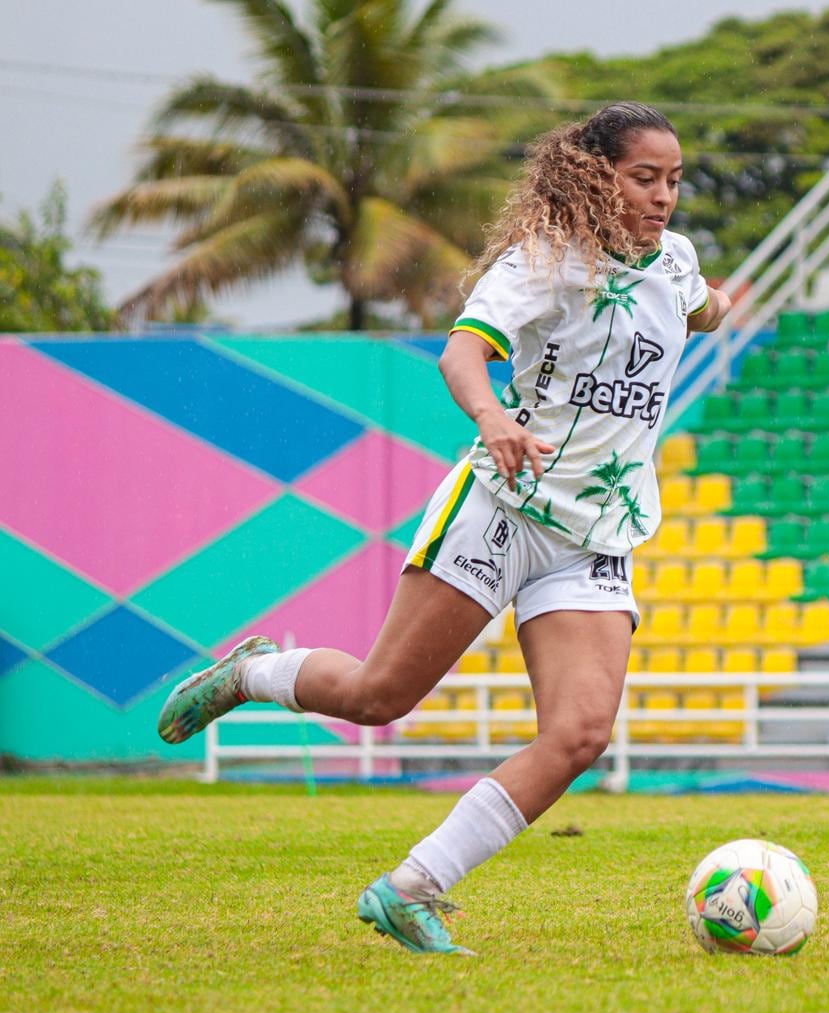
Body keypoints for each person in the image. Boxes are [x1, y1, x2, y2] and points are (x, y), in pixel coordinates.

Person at [156, 101, 731, 955]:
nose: (662, 197)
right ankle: (253, 675)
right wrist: (494, 419)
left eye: (673, 181)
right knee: (379, 697)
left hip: (595, 539)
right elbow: (462, 353)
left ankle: (410, 888)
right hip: (504, 507)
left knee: (579, 734)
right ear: (593, 176)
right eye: (643, 178)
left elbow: (698, 308)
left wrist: (718, 303)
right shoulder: (540, 266)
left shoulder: (674, 262)